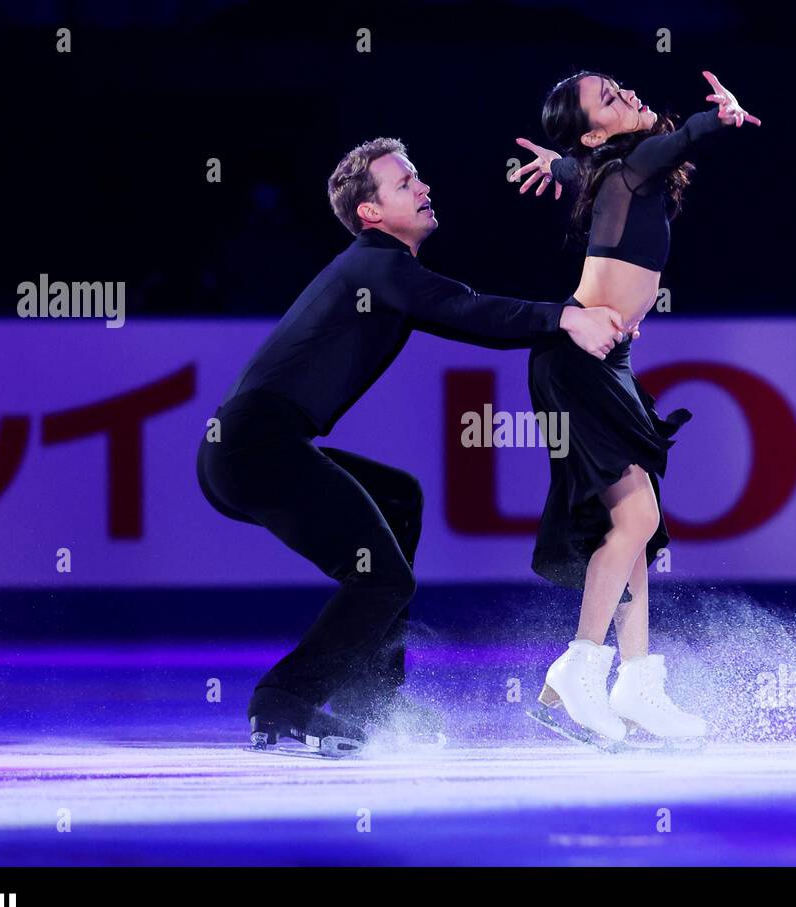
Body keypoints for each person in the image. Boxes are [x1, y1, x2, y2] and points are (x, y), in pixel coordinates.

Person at [197, 136, 628, 755]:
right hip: (254, 447)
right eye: (405, 184)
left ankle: (368, 699)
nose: (423, 187)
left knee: (399, 498)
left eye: (418, 177)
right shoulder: (377, 265)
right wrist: (566, 316)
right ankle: (282, 705)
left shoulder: (383, 271)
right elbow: (467, 310)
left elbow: (466, 315)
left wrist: (562, 320)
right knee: (381, 582)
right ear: (370, 213)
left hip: (254, 446)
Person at [512, 70, 759, 745]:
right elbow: (662, 150)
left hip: (602, 362)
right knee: (636, 517)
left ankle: (637, 681)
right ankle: (579, 670)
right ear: (598, 131)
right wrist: (719, 121)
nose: (631, 96)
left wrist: (561, 164)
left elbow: (590, 163)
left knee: (635, 527)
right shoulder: (634, 167)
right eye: (612, 102)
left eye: (622, 88)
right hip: (579, 363)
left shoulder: (604, 170)